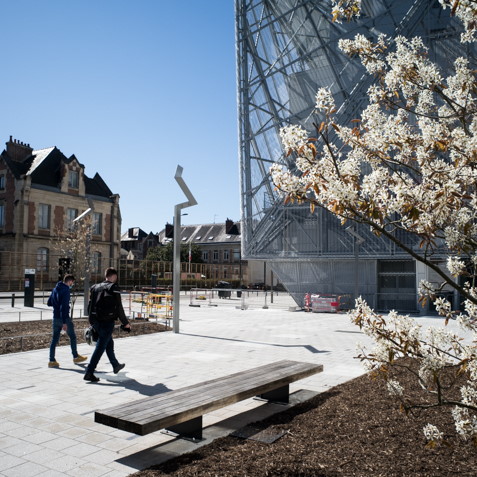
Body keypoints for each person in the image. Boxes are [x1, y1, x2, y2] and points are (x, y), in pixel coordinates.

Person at [84, 267, 130, 382]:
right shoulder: (113, 288)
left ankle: (115, 365)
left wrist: (91, 321)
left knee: (109, 343)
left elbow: (89, 306)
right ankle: (89, 372)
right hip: (107, 322)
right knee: (100, 347)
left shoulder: (95, 287)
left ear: (106, 275)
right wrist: (126, 323)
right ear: (114, 276)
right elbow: (119, 307)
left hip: (95, 322)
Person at [48, 274, 87, 367]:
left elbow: (49, 303)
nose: (72, 284)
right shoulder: (66, 290)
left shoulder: (55, 289)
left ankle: (51, 361)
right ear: (69, 281)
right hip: (64, 318)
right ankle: (76, 357)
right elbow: (64, 307)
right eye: (72, 282)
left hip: (55, 318)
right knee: (72, 337)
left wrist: (56, 304)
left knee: (54, 340)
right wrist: (65, 322)